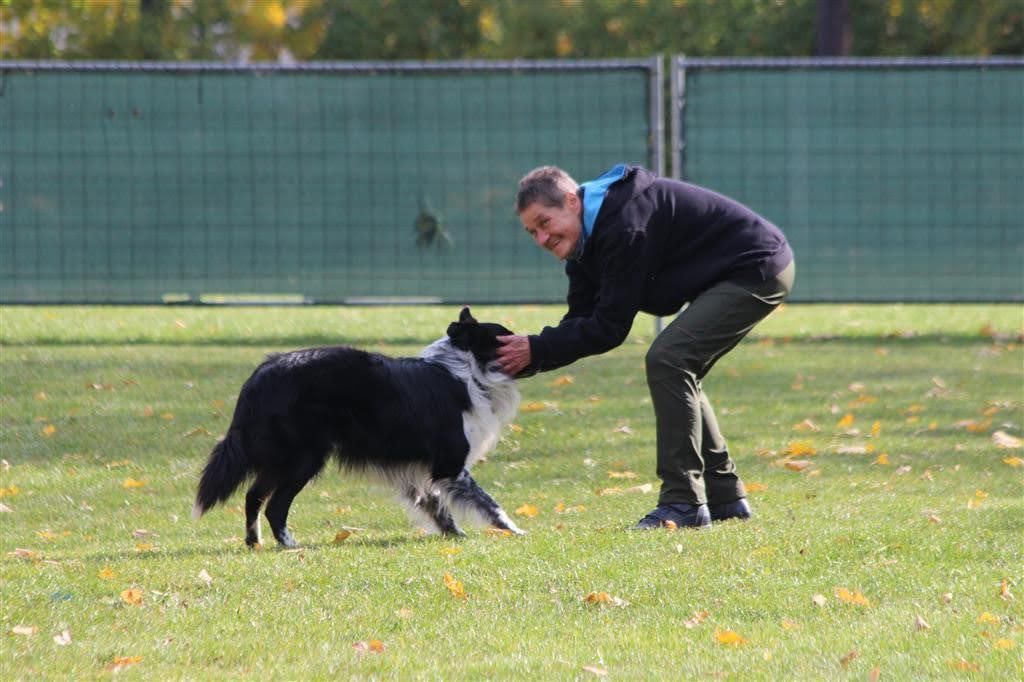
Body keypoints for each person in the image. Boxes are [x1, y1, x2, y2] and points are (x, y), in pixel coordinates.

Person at [496, 163, 795, 529]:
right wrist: (530, 356)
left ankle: (683, 502)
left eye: (544, 223)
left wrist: (537, 349)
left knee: (670, 359)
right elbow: (580, 321)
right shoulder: (585, 242)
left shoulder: (624, 224)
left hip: (756, 266)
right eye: (532, 232)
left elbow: (609, 327)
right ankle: (725, 496)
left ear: (572, 201)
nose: (542, 239)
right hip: (734, 271)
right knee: (677, 365)